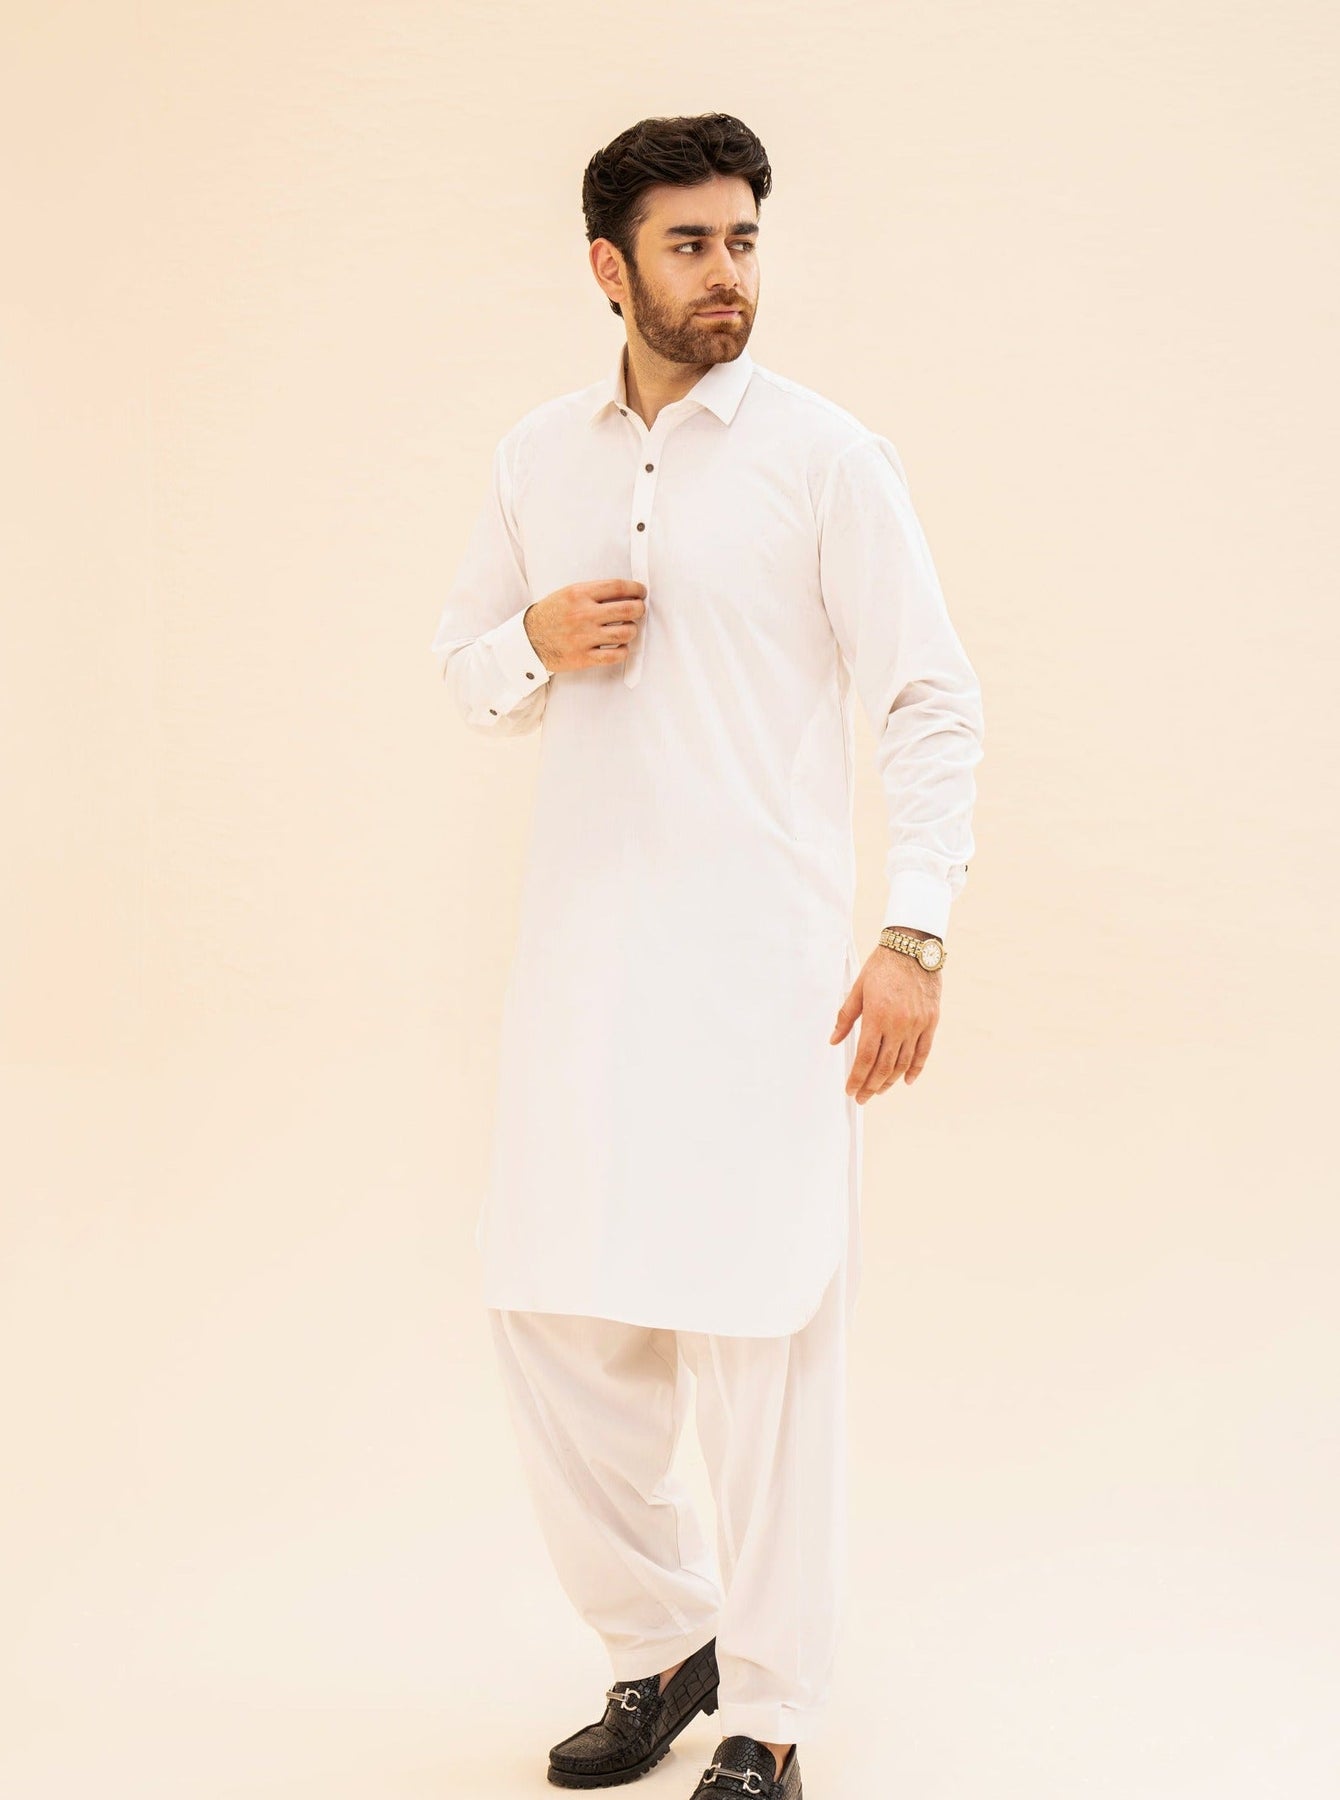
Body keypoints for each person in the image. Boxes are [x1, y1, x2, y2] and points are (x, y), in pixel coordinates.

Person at [429, 112, 985, 1799]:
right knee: (549, 1312)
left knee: (764, 1337)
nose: (727, 272)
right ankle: (662, 1643)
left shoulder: (829, 458)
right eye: (691, 244)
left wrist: (914, 929)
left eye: (743, 238)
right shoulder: (539, 457)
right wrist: (531, 641)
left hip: (768, 981)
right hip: (582, 969)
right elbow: (464, 669)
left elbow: (930, 698)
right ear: (610, 268)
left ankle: (773, 1715)